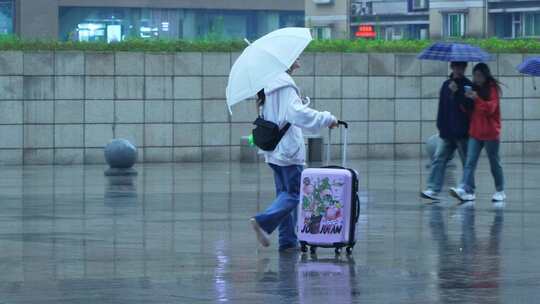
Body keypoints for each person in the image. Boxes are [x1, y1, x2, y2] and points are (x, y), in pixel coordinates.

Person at [250, 59, 338, 252]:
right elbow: (296, 113)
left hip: (274, 150)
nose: (299, 63)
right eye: (296, 59)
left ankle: (288, 241)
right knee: (295, 194)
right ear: (285, 61)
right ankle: (264, 222)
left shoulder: (268, 83)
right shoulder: (285, 84)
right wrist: (327, 118)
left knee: (284, 195)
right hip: (288, 151)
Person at [450, 63, 505, 202]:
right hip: (475, 132)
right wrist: (458, 94)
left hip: (490, 133)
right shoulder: (473, 88)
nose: (476, 78)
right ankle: (465, 188)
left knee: (494, 163)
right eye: (474, 75)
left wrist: (476, 98)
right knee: (470, 162)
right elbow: (466, 109)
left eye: (479, 75)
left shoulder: (492, 89)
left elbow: (490, 109)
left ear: (485, 76)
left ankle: (500, 190)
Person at [421, 61, 474, 200]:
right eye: (456, 67)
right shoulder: (446, 85)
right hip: (447, 132)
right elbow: (442, 107)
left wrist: (458, 93)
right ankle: (433, 188)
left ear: (465, 68)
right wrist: (440, 125)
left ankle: (469, 190)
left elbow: (469, 107)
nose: (459, 69)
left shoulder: (468, 86)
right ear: (452, 67)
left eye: (462, 67)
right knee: (439, 159)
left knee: (467, 163)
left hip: (463, 131)